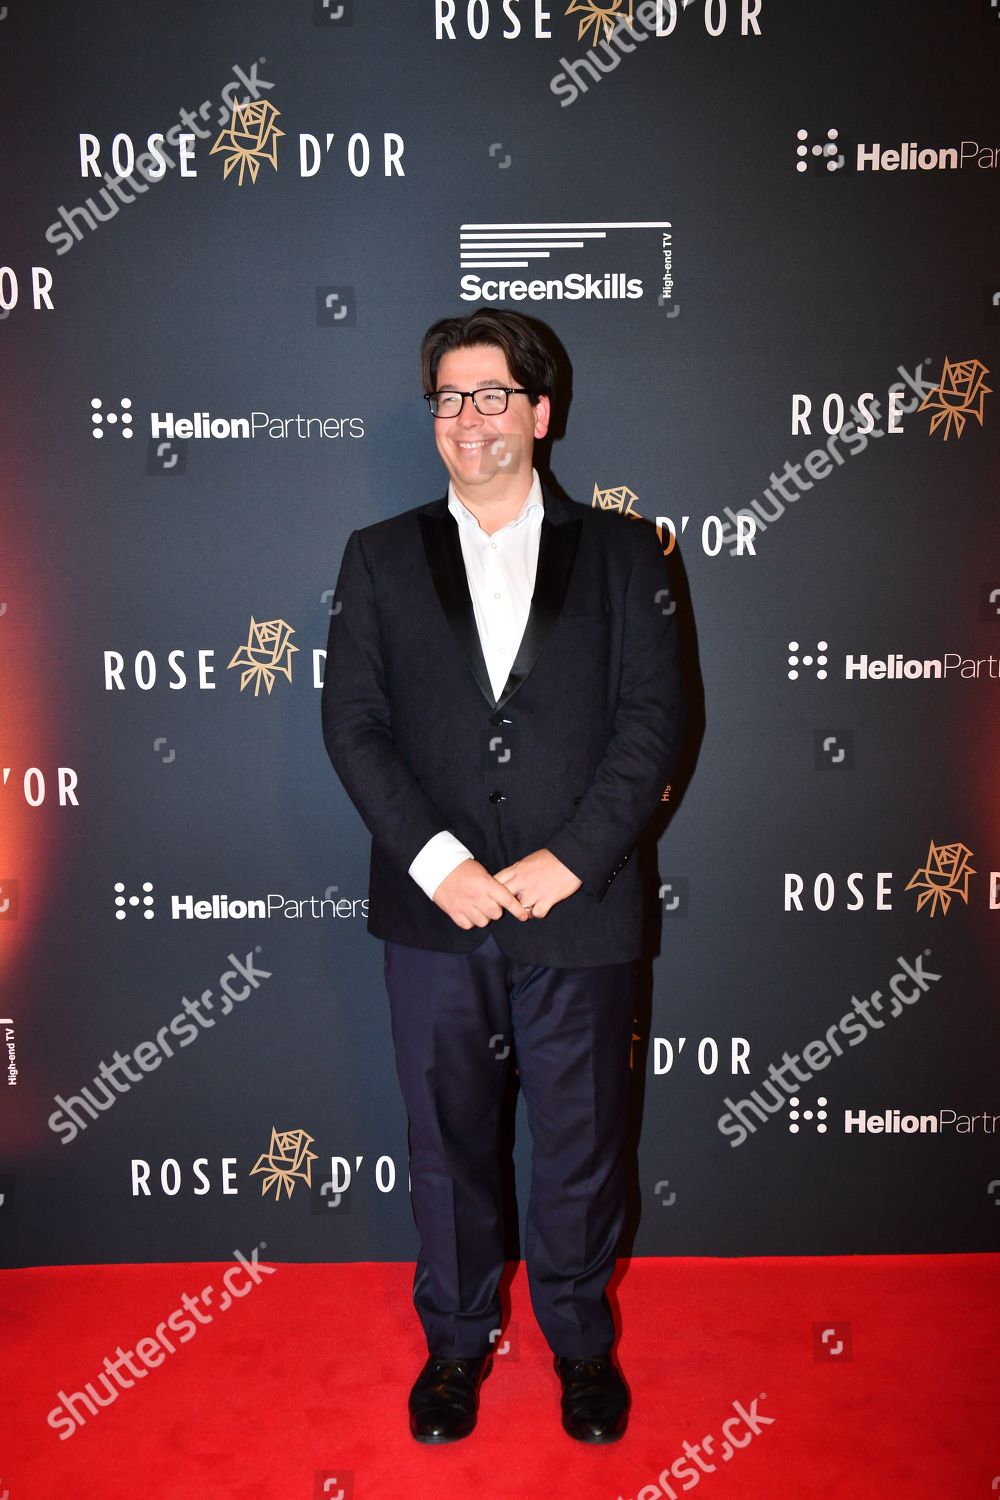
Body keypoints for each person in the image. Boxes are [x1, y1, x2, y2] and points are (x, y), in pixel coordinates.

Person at [322, 308, 683, 1444]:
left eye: (489, 395)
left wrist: (567, 862)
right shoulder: (378, 555)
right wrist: (441, 863)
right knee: (448, 1143)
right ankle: (457, 1342)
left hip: (580, 913)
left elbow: (655, 723)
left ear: (540, 412)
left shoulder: (628, 552)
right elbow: (355, 726)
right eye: (446, 397)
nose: (466, 418)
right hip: (435, 918)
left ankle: (581, 1346)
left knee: (580, 1145)